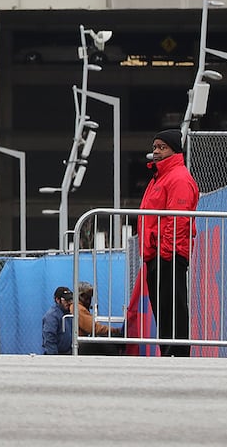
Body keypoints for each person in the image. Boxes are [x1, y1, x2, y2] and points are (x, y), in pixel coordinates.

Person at [139, 128, 200, 357]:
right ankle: (169, 351)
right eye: (155, 147)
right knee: (163, 307)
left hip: (168, 254)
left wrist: (165, 252)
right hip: (158, 253)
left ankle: (177, 352)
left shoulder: (178, 178)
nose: (156, 151)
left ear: (174, 150)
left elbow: (178, 218)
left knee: (173, 305)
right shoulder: (161, 176)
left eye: (161, 147)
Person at [73, 282, 124, 355]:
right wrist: (114, 330)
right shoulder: (78, 309)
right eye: (87, 297)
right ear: (81, 296)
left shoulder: (78, 308)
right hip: (79, 344)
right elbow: (93, 328)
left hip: (80, 342)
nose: (89, 301)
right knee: (107, 344)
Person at [41, 285, 74, 355]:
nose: (69, 302)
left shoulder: (68, 314)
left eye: (70, 299)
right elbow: (49, 338)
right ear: (57, 300)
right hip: (57, 354)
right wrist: (54, 358)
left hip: (67, 353)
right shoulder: (52, 316)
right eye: (66, 300)